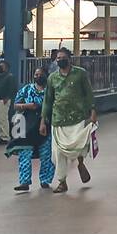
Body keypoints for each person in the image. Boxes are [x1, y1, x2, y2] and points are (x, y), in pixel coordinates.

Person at [39, 46, 97, 194]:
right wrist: (43, 121)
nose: (60, 60)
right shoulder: (52, 78)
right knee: (58, 152)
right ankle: (62, 181)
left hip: (77, 117)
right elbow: (47, 100)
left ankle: (80, 162)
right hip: (58, 120)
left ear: (69, 59)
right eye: (57, 58)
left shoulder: (80, 74)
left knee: (79, 145)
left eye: (62, 58)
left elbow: (88, 93)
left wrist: (93, 111)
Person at [7, 65, 53, 192]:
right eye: (36, 74)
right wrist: (28, 106)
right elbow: (16, 105)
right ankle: (24, 181)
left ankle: (45, 180)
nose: (38, 77)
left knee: (46, 154)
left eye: (40, 74)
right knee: (24, 153)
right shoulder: (27, 89)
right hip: (27, 124)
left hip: (45, 124)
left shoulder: (50, 90)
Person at [0, 59, 17, 144]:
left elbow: (12, 89)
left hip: (3, 100)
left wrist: (7, 98)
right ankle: (1, 135)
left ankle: (5, 137)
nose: (0, 67)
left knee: (3, 119)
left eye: (2, 66)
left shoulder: (10, 77)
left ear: (6, 68)